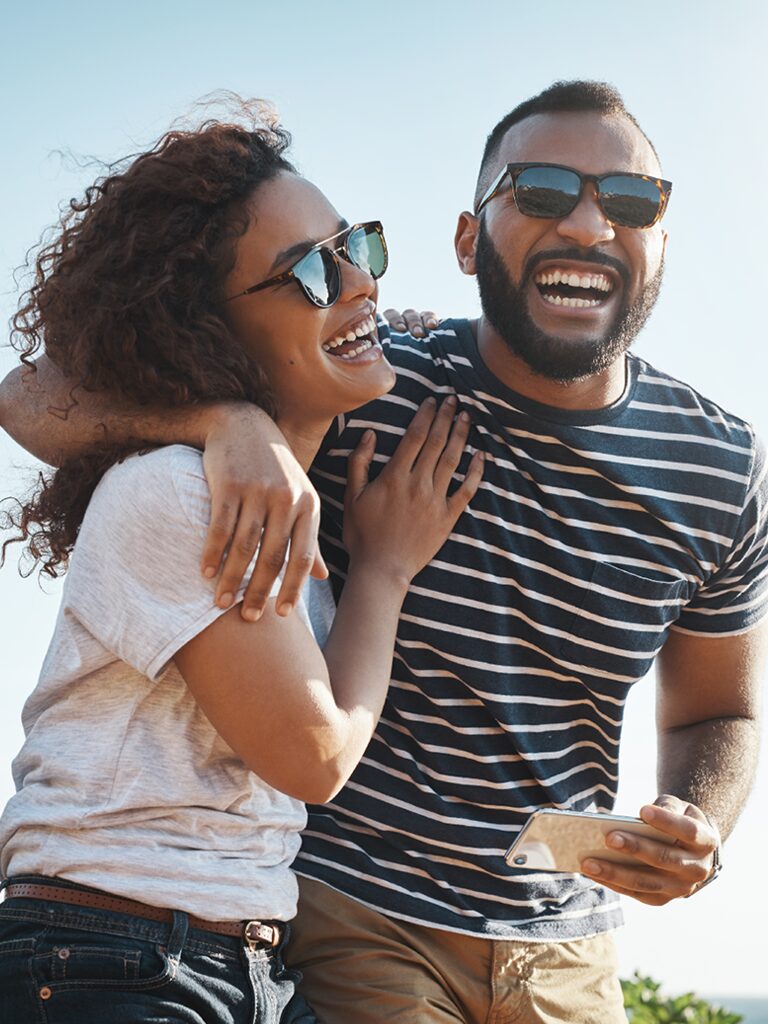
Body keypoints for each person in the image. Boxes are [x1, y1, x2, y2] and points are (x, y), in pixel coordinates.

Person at [2, 80, 767, 1023]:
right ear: (465, 239)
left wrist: (700, 825)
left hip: (567, 941)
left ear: (661, 239)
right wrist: (226, 420)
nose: (587, 224)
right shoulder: (371, 383)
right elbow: (33, 395)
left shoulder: (721, 465)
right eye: (539, 192)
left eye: (631, 201)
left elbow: (720, 709)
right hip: (344, 915)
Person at [0, 101, 482, 1023]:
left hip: (222, 956)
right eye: (308, 271)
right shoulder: (180, 495)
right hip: (116, 954)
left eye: (356, 248)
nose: (356, 283)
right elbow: (315, 756)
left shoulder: (271, 495)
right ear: (206, 329)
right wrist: (382, 569)